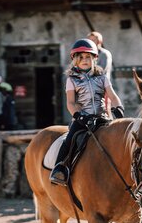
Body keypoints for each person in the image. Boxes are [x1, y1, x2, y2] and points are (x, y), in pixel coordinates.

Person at [50, 38, 125, 186]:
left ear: (94, 59)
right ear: (75, 60)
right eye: (81, 57)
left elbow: (112, 95)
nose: (85, 60)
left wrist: (119, 108)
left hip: (102, 117)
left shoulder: (102, 77)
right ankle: (59, 168)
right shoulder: (72, 79)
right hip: (82, 118)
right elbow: (70, 103)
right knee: (70, 138)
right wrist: (78, 116)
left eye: (88, 57)